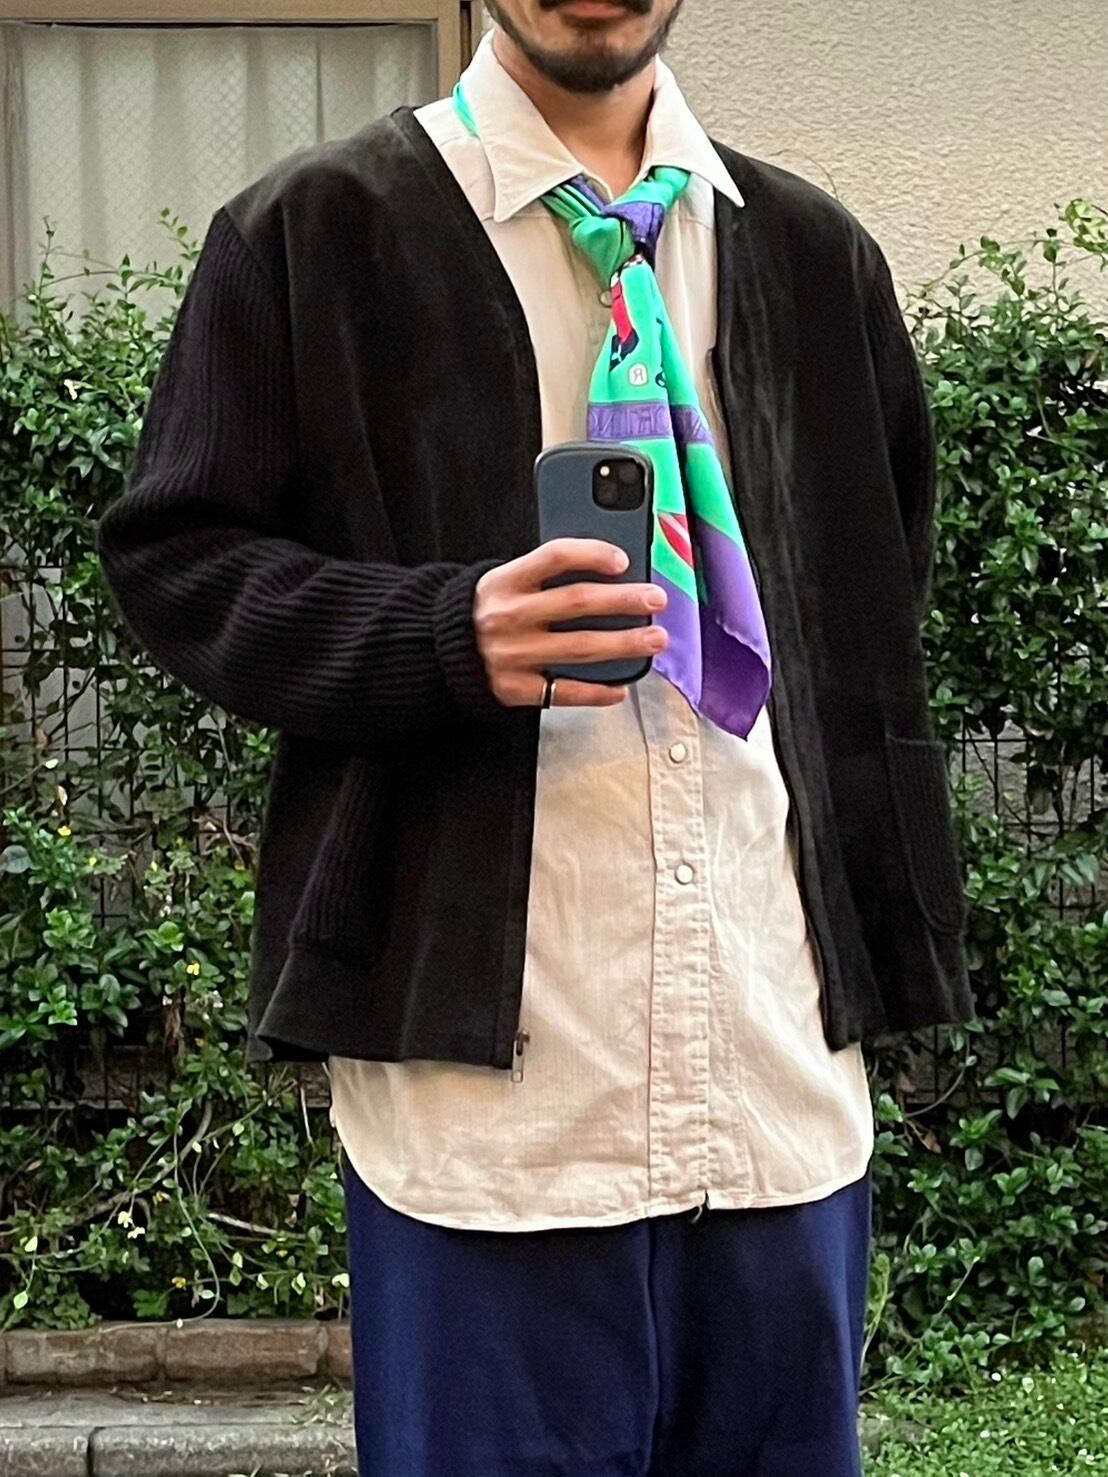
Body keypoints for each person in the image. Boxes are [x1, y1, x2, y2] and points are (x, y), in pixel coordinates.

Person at [98, 1, 974, 1471]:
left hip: (773, 1087)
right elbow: (176, 561)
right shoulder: (313, 235)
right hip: (490, 1123)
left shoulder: (817, 258)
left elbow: (870, 606)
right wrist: (445, 635)